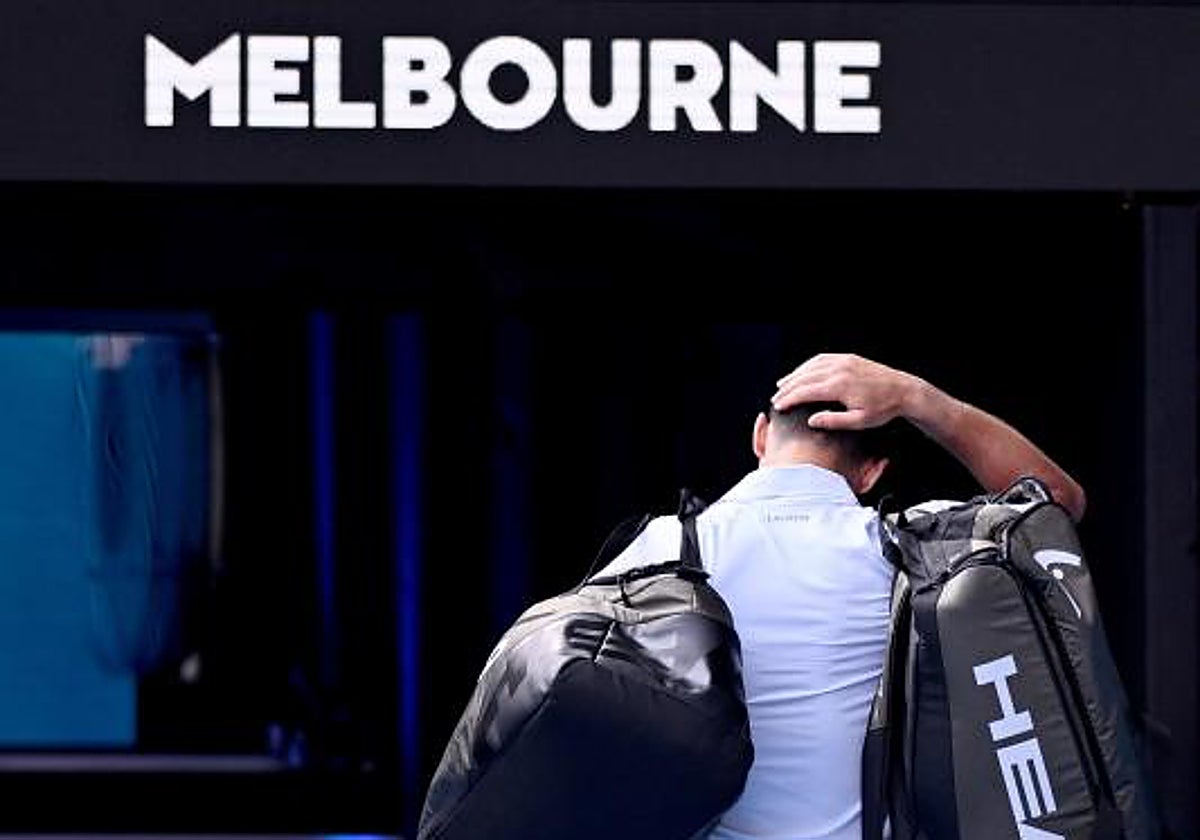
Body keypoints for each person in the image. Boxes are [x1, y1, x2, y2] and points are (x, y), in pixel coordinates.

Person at [598, 352, 1085, 840]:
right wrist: (919, 398)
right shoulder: (910, 548)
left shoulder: (660, 547)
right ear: (872, 473)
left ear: (760, 435)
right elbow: (1055, 507)